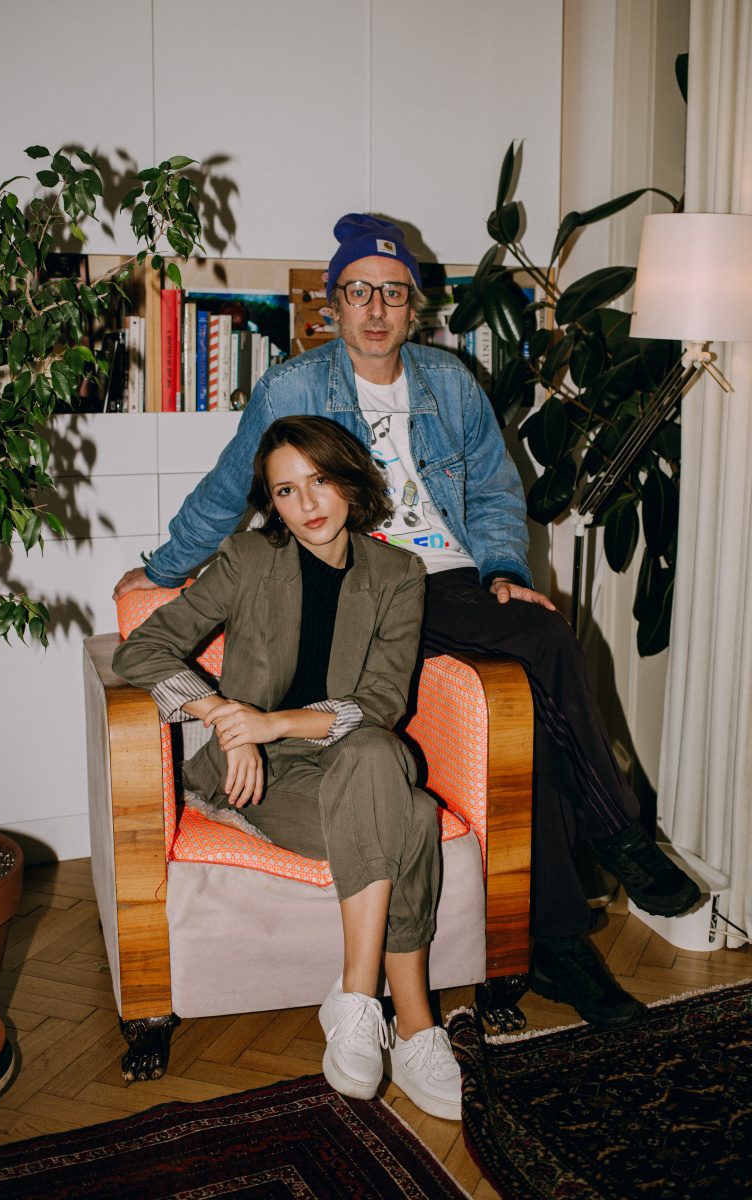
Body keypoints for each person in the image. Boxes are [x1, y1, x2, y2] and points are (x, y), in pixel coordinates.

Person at [114, 213, 700, 1030]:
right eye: (359, 292)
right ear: (334, 303)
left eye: (393, 293)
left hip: (448, 578)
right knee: (542, 649)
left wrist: (503, 571)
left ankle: (561, 931)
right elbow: (229, 487)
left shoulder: (449, 382)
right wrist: (166, 566)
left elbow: (492, 489)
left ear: (414, 307)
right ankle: (614, 847)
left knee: (537, 670)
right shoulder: (292, 388)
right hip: (360, 577)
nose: (376, 309)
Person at [112, 415, 462, 1120]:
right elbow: (140, 650)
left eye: (320, 480)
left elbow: (380, 704)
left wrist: (273, 721)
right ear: (271, 502)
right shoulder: (247, 559)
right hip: (262, 777)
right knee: (415, 816)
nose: (308, 504)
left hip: (350, 755)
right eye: (286, 490)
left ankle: (357, 1000)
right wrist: (224, 716)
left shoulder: (398, 575)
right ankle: (416, 1027)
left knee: (374, 754)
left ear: (350, 481)